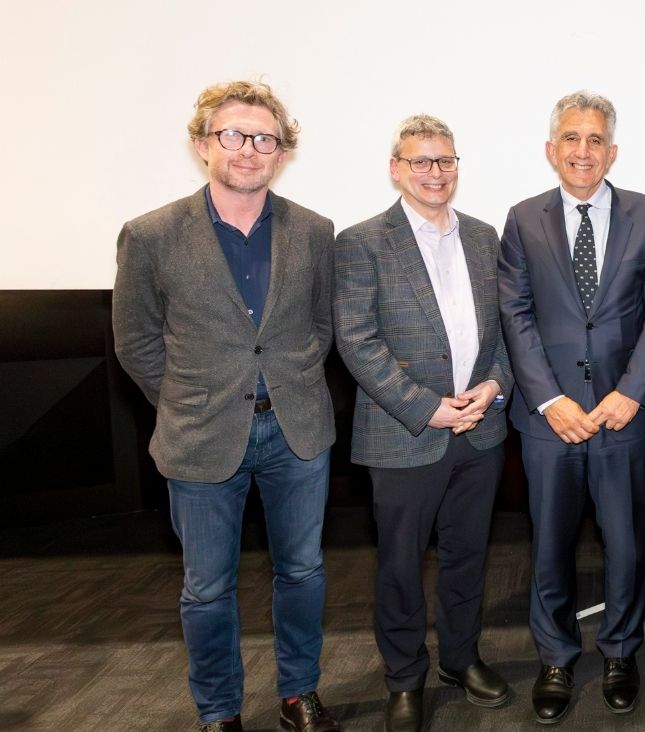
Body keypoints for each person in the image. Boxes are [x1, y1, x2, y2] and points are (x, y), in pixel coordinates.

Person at [112, 81, 340, 732]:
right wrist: (191, 401)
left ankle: (299, 693)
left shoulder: (315, 231)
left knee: (302, 572)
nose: (249, 149)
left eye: (264, 138)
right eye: (233, 135)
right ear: (202, 145)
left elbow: (319, 329)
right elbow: (135, 343)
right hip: (199, 438)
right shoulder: (150, 235)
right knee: (207, 589)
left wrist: (285, 380)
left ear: (282, 152)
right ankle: (219, 712)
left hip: (297, 432)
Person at [499, 90, 645, 724]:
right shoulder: (522, 219)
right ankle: (555, 657)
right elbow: (515, 314)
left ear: (613, 151)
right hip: (549, 421)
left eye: (595, 139)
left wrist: (630, 392)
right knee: (549, 545)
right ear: (552, 150)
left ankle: (621, 651)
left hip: (623, 417)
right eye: (571, 139)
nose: (583, 150)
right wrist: (548, 399)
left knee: (627, 547)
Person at [333, 114, 514, 732]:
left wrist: (493, 388)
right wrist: (427, 407)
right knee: (400, 566)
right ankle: (404, 677)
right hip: (403, 433)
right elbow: (357, 342)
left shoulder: (487, 237)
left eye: (446, 161)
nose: (435, 173)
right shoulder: (361, 243)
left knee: (468, 557)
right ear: (396, 168)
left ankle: (461, 659)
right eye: (421, 162)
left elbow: (507, 331)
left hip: (481, 430)